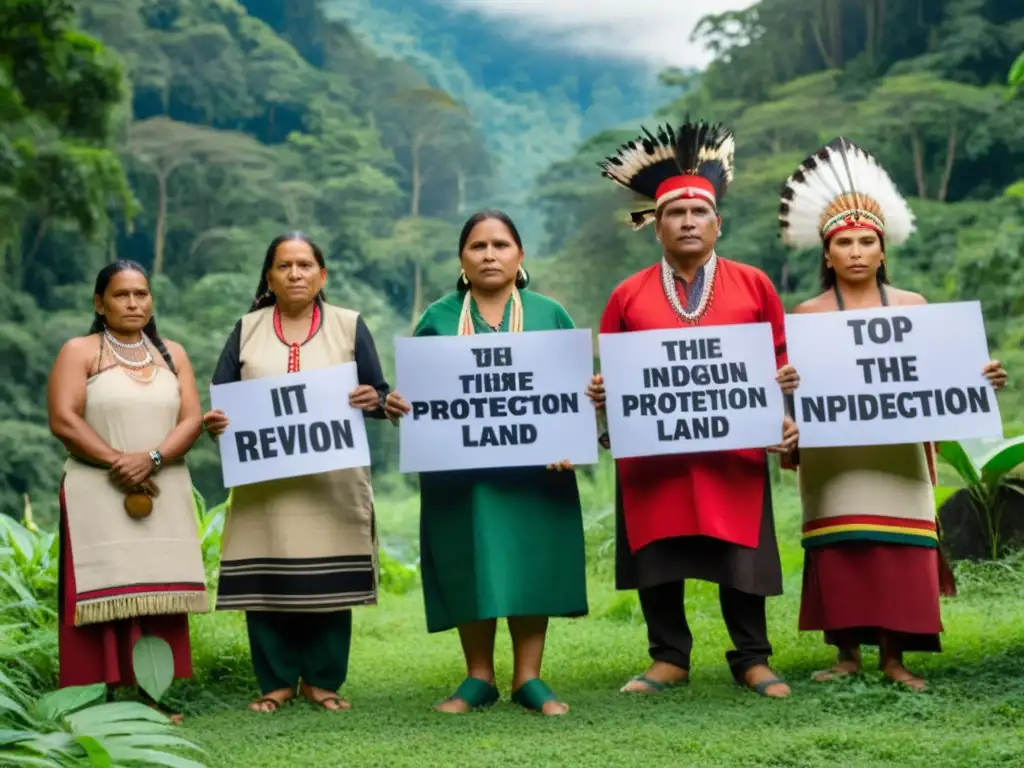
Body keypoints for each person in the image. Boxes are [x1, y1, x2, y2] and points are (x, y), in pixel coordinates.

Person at [777, 137, 1008, 691]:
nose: (856, 251)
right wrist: (783, 388)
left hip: (900, 452)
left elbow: (938, 375)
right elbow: (790, 398)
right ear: (826, 254)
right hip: (834, 458)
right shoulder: (804, 316)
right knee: (842, 549)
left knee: (900, 549)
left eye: (866, 241)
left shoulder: (914, 308)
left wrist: (982, 380)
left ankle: (895, 657)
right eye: (844, 242)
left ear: (882, 251)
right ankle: (847, 655)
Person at [587, 121, 799, 698]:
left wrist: (784, 401)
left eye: (697, 212)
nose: (686, 221)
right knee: (659, 547)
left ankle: (752, 657)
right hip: (656, 455)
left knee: (740, 550)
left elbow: (781, 357)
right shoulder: (626, 296)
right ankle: (669, 657)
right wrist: (606, 399)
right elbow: (612, 370)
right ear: (655, 225)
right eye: (674, 213)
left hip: (733, 448)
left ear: (717, 223)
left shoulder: (754, 285)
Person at [384, 210, 588, 717]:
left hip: (537, 474)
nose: (489, 254)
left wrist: (577, 429)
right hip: (462, 476)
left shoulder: (548, 314)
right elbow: (421, 398)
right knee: (468, 559)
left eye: (500, 245)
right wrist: (398, 407)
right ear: (462, 259)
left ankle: (529, 678)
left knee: (530, 560)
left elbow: (573, 391)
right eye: (478, 246)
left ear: (520, 256)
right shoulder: (438, 318)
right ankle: (478, 676)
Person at [202, 232, 391, 713]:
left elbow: (379, 394)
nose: (295, 274)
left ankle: (323, 681)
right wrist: (217, 422)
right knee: (266, 580)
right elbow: (223, 398)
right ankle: (277, 682)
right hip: (265, 483)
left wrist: (372, 400)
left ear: (322, 275)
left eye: (305, 265)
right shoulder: (247, 328)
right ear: (269, 276)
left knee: (330, 580)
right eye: (284, 266)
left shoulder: (349, 325)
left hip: (333, 481)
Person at [47, 260, 207, 724]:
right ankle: (95, 700)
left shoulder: (172, 353)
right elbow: (63, 419)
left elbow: (191, 419)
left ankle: (153, 695)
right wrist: (121, 462)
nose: (133, 303)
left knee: (159, 595)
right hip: (97, 489)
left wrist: (151, 459)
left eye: (141, 294)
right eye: (121, 295)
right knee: (103, 588)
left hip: (162, 486)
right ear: (100, 302)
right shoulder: (80, 351)